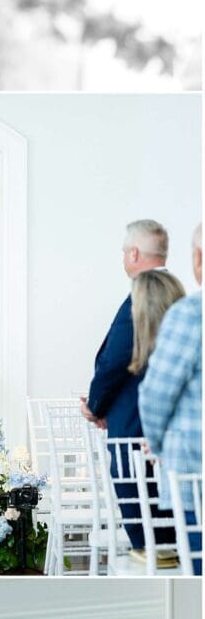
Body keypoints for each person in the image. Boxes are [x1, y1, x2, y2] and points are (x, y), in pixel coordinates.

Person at [84, 219, 176, 548]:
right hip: (164, 427)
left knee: (142, 517)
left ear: (134, 253)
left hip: (133, 425)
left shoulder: (141, 298)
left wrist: (95, 406)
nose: (124, 257)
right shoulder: (177, 296)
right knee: (167, 517)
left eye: (124, 251)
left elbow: (114, 361)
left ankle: (155, 569)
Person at [140, 224, 202, 569]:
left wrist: (158, 444)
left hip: (196, 474)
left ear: (197, 258)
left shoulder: (192, 314)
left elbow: (155, 395)